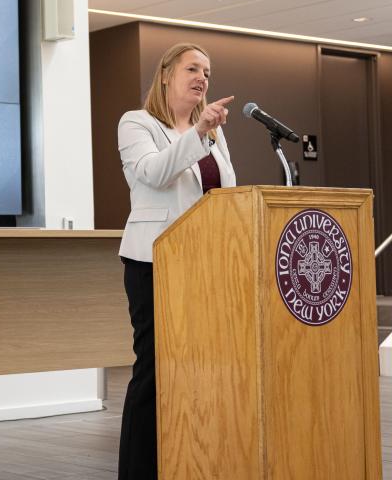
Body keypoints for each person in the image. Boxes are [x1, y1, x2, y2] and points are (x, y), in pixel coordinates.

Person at [116, 43, 236, 479]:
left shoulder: (213, 132)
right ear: (166, 74)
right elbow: (153, 173)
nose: (202, 77)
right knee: (152, 372)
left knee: (198, 369)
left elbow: (222, 191)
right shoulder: (136, 123)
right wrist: (199, 132)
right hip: (154, 263)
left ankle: (187, 462)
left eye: (207, 70)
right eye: (192, 68)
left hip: (204, 266)